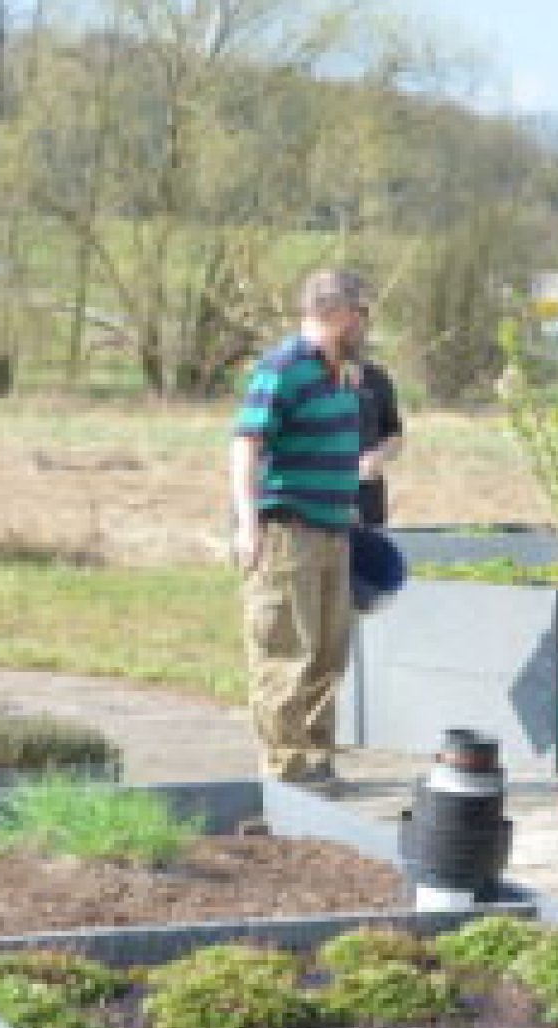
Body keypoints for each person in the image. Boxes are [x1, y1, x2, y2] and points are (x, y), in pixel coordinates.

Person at [230, 269, 370, 787]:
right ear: (336, 312)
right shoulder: (282, 368)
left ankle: (317, 760)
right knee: (286, 652)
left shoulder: (340, 373)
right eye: (360, 313)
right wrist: (248, 526)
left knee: (329, 654)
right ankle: (285, 775)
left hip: (334, 532)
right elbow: (246, 445)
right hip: (287, 533)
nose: (364, 324)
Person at [349, 357, 405, 528]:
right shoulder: (309, 378)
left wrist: (378, 456)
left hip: (369, 495)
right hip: (321, 497)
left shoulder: (378, 379)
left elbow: (395, 435)